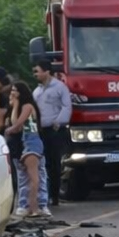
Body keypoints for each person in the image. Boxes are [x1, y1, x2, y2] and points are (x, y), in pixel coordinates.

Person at [5, 81, 49, 219]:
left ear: (21, 92)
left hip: (32, 142)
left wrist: (9, 130)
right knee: (32, 176)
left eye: (15, 90)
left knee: (34, 177)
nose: (12, 92)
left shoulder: (28, 106)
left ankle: (35, 207)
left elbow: (17, 124)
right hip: (27, 142)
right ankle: (34, 206)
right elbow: (16, 124)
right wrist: (15, 105)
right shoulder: (20, 106)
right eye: (11, 90)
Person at [33, 62, 72, 205]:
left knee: (54, 163)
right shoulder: (37, 91)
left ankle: (54, 196)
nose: (35, 74)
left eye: (37, 71)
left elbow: (67, 106)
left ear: (47, 71)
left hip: (55, 131)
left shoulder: (59, 87)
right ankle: (45, 194)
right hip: (41, 131)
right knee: (43, 163)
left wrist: (58, 122)